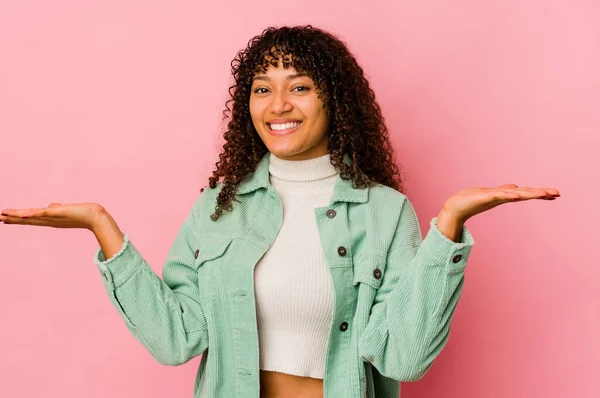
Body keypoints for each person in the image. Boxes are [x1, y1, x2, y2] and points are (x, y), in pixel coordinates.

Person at [0, 25, 560, 398]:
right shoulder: (219, 206)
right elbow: (176, 339)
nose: (278, 105)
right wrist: (106, 232)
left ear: (334, 101)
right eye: (261, 88)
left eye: (300, 86)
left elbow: (402, 358)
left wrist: (447, 231)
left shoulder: (385, 213)